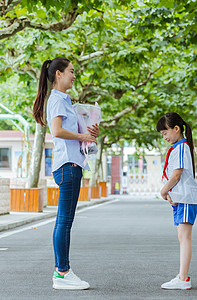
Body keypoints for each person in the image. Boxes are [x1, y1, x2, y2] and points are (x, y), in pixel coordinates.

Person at [32, 57, 99, 290]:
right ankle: (62, 272)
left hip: (72, 165)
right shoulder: (57, 100)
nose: (74, 75)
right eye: (71, 71)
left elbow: (69, 130)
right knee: (64, 221)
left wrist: (89, 131)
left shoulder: (65, 101)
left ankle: (62, 271)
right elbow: (58, 131)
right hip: (67, 166)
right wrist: (82, 136)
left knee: (65, 221)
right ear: (58, 74)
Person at [157, 112, 197, 290]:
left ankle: (183, 278)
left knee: (184, 238)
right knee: (182, 238)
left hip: (185, 199)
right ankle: (182, 276)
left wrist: (163, 190)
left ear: (176, 129)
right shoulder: (179, 147)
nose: (164, 137)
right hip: (181, 199)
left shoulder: (181, 148)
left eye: (165, 133)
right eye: (162, 135)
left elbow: (176, 175)